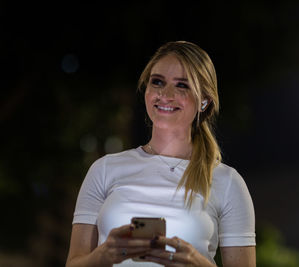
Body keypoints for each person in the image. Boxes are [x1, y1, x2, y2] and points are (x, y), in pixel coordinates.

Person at [66, 41, 256, 267]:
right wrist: (103, 255)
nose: (165, 94)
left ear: (204, 101)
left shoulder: (228, 182)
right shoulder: (104, 169)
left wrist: (199, 263)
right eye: (157, 82)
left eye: (182, 85)